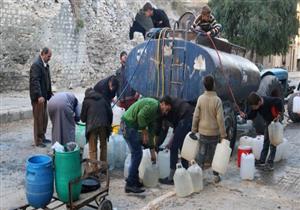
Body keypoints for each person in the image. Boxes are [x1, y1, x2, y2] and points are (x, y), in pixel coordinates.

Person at [121, 96, 172, 193]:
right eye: (167, 108)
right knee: (137, 154)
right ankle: (130, 185)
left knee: (136, 154)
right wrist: (144, 132)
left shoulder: (156, 114)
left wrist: (152, 152)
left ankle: (133, 180)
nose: (167, 112)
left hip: (130, 126)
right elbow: (141, 116)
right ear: (163, 104)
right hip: (128, 125)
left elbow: (151, 133)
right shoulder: (153, 105)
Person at [191, 75, 227, 183]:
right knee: (214, 154)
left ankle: (197, 175)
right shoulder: (217, 100)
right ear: (214, 85)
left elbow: (196, 116)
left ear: (204, 86)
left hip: (202, 132)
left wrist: (193, 130)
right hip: (214, 133)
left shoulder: (201, 98)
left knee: (201, 153)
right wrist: (223, 135)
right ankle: (215, 176)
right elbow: (220, 119)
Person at [239, 92, 283, 171]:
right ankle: (262, 161)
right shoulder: (257, 106)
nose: (253, 108)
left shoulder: (269, 100)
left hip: (275, 122)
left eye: (254, 106)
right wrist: (245, 116)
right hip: (268, 122)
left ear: (259, 102)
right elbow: (253, 115)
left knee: (273, 144)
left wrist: (279, 113)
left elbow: (279, 101)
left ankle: (270, 164)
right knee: (266, 141)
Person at [159, 97, 195, 185]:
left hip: (187, 118)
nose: (163, 108)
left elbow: (175, 130)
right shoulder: (170, 107)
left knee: (174, 148)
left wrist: (170, 143)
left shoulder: (173, 110)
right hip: (188, 118)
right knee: (183, 147)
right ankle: (185, 174)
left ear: (167, 104)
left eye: (163, 106)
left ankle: (171, 178)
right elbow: (174, 129)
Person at [80, 88, 113, 172]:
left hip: (92, 127)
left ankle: (94, 169)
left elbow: (83, 118)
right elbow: (110, 113)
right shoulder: (103, 99)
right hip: (104, 125)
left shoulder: (86, 101)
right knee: (103, 146)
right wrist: (109, 124)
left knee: (93, 148)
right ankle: (103, 168)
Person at [29, 47, 53, 148]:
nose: (50, 58)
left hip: (44, 97)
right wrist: (38, 95)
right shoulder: (36, 65)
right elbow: (35, 81)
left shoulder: (45, 65)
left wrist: (49, 93)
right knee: (38, 119)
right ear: (43, 54)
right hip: (38, 98)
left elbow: (47, 80)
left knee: (44, 118)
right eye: (48, 56)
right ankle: (38, 140)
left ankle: (42, 137)